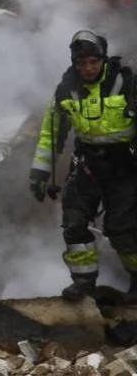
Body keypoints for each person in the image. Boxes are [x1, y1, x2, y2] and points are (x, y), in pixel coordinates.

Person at [29, 31, 137, 301]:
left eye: (93, 62)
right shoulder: (66, 90)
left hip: (125, 167)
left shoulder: (126, 82)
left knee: (122, 229)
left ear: (102, 60)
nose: (88, 68)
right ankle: (84, 284)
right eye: (81, 63)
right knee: (73, 223)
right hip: (87, 165)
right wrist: (40, 173)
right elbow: (51, 134)